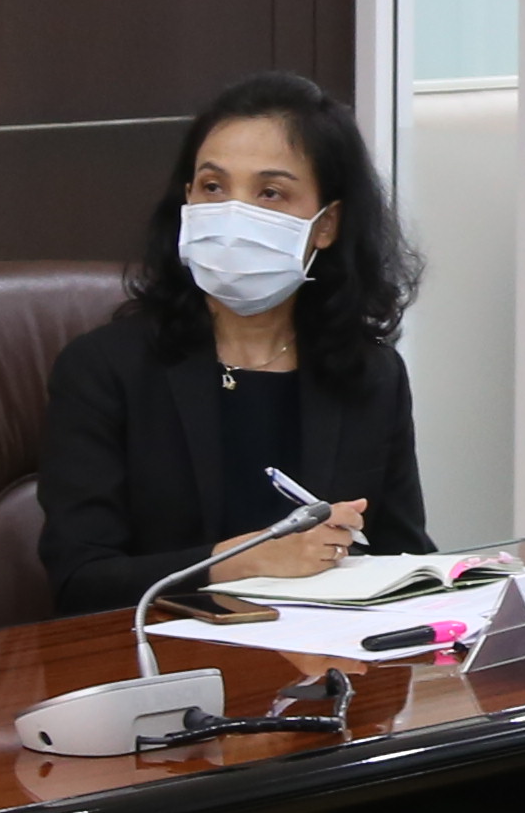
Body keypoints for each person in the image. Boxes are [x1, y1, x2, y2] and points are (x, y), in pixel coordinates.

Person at [35, 71, 433, 616]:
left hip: (323, 650)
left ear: (327, 224)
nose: (232, 215)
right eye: (213, 187)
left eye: (270, 193)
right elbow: (81, 581)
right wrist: (243, 560)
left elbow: (403, 554)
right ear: (187, 200)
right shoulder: (105, 368)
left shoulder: (368, 373)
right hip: (163, 652)